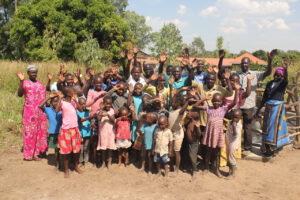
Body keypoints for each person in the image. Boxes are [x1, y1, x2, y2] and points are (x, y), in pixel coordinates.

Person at [234, 49, 277, 153]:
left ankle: (247, 148)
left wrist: (270, 60)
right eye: (243, 63)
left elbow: (268, 72)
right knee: (235, 126)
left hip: (248, 105)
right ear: (241, 64)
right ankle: (236, 147)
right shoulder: (236, 74)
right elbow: (223, 73)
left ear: (249, 64)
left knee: (248, 127)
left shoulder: (255, 74)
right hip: (237, 105)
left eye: (246, 62)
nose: (244, 64)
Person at [194, 83, 238, 177]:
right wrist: (204, 99)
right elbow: (196, 106)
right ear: (211, 101)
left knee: (217, 153)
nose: (216, 103)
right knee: (208, 152)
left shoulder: (223, 109)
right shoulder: (208, 108)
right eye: (214, 101)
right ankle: (206, 168)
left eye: (218, 101)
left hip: (218, 134)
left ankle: (217, 170)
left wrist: (237, 91)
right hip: (209, 133)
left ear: (221, 102)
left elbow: (234, 103)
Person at [256, 66, 290, 157]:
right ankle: (265, 147)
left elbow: (286, 79)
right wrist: (258, 110)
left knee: (273, 128)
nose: (276, 77)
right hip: (268, 108)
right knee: (266, 127)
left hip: (277, 109)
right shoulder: (269, 83)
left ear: (282, 76)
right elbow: (264, 98)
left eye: (278, 75)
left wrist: (286, 70)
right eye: (275, 75)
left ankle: (272, 148)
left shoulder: (282, 84)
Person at [17, 65, 48, 161]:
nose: (34, 74)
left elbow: (43, 95)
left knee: (40, 131)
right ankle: (29, 154)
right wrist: (21, 81)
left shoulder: (39, 83)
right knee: (30, 132)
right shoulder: (25, 83)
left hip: (40, 112)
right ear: (28, 73)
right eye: (32, 72)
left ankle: (38, 152)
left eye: (35, 72)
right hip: (29, 112)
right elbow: (19, 94)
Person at [55, 86, 83, 178]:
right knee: (65, 152)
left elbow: (81, 110)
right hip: (66, 130)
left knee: (76, 151)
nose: (74, 92)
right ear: (67, 93)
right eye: (72, 91)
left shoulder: (73, 102)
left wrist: (75, 100)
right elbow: (56, 110)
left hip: (74, 129)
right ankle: (66, 170)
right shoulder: (63, 103)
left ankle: (76, 166)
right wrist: (59, 98)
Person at [168, 95, 195, 175]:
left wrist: (187, 102)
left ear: (178, 103)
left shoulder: (180, 111)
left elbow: (182, 111)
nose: (172, 103)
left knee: (177, 151)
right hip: (171, 133)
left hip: (178, 134)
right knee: (171, 151)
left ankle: (176, 169)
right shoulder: (171, 111)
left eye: (173, 102)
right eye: (171, 102)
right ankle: (171, 166)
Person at [38, 92, 62, 169]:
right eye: (54, 101)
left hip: (62, 132)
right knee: (56, 149)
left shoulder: (62, 109)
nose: (55, 103)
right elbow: (40, 106)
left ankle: (65, 163)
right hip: (53, 132)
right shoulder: (48, 110)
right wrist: (48, 98)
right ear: (51, 102)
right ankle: (57, 164)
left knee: (64, 149)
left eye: (57, 101)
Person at [86, 76, 107, 165]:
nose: (98, 85)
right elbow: (87, 103)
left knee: (101, 139)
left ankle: (101, 159)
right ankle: (94, 159)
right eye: (97, 83)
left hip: (102, 118)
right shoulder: (91, 92)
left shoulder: (105, 92)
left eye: (100, 83)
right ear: (94, 83)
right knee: (94, 140)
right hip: (93, 118)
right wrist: (98, 97)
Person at [97, 96, 116, 170]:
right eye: (106, 103)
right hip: (102, 133)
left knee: (110, 148)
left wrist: (108, 114)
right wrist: (101, 110)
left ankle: (109, 163)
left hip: (110, 133)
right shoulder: (100, 110)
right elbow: (98, 118)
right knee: (103, 149)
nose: (108, 105)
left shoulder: (111, 111)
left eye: (109, 103)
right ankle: (103, 163)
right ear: (103, 103)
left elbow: (113, 121)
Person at [225, 109, 243, 178]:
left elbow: (235, 135)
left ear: (240, 118)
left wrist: (234, 127)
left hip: (233, 144)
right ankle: (231, 170)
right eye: (233, 117)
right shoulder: (230, 122)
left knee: (231, 158)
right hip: (228, 142)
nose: (234, 119)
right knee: (229, 157)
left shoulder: (238, 125)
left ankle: (232, 174)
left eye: (236, 117)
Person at [186, 107, 202, 178]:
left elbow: (199, 134)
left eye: (189, 113)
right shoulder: (189, 122)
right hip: (189, 142)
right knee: (190, 155)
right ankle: (192, 167)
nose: (187, 114)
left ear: (195, 115)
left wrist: (198, 127)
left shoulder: (195, 124)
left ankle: (195, 171)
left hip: (194, 143)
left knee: (193, 156)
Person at [77, 97, 93, 167]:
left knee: (86, 147)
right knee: (80, 148)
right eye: (81, 104)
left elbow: (92, 120)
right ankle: (80, 161)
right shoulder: (77, 112)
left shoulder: (88, 112)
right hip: (79, 133)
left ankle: (86, 161)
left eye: (84, 103)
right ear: (78, 104)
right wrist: (89, 117)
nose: (83, 105)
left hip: (87, 132)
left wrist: (92, 122)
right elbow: (81, 120)